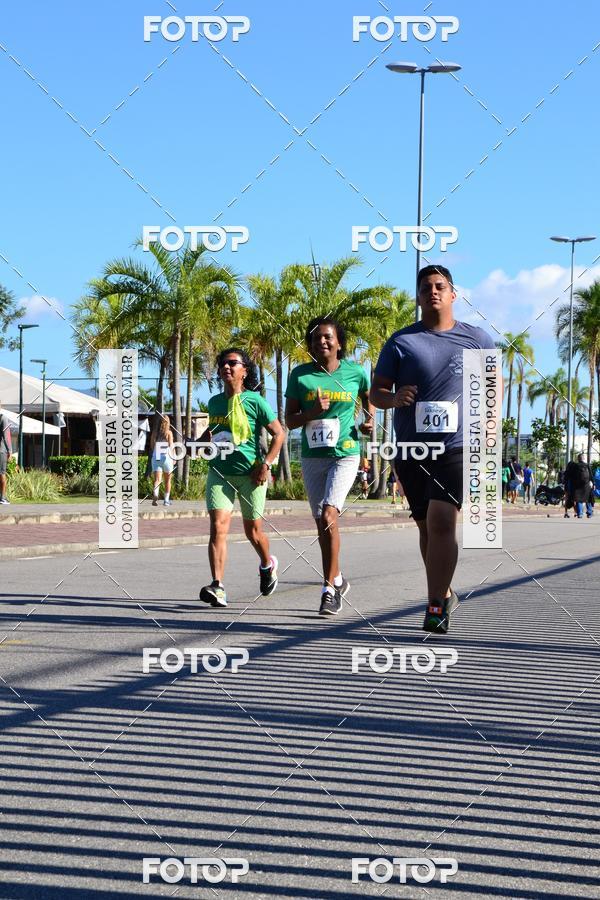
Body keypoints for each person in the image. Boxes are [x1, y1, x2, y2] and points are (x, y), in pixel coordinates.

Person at [371, 264, 497, 634]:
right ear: (418, 296)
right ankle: (444, 592)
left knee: (443, 521)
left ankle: (435, 606)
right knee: (427, 527)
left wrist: (489, 427)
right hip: (412, 449)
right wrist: (394, 399)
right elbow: (377, 393)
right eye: (425, 287)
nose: (433, 292)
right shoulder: (401, 342)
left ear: (453, 294)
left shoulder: (477, 339)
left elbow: (492, 389)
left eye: (440, 286)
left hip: (457, 446)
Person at [285, 316, 374, 616]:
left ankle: (328, 590)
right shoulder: (300, 375)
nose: (321, 341)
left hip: (345, 452)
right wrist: (311, 412)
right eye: (315, 338)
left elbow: (368, 396)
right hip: (313, 456)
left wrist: (369, 419)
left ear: (339, 342)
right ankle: (337, 578)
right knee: (321, 523)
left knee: (328, 514)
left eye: (327, 337)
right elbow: (289, 420)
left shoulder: (355, 372)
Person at [199, 348, 285, 608]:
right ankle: (218, 586)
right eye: (222, 363)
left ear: (244, 371)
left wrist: (266, 465)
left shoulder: (255, 401)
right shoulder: (215, 402)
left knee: (253, 532)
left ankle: (267, 564)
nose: (226, 366)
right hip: (219, 472)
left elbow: (279, 434)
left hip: (251, 475)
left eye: (232, 363)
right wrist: (199, 441)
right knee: (218, 526)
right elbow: (214, 431)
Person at [151, 415, 174, 506]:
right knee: (168, 480)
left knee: (157, 480)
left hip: (156, 457)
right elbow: (171, 446)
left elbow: (152, 446)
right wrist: (174, 457)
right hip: (166, 457)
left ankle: (155, 494)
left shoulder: (155, 433)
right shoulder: (169, 433)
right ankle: (166, 500)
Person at [564, 454, 594, 520]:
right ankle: (589, 513)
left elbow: (569, 475)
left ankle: (580, 514)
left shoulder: (575, 466)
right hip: (586, 485)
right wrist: (593, 484)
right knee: (588, 498)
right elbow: (591, 476)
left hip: (577, 486)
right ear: (584, 458)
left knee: (578, 499)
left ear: (578, 459)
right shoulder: (587, 465)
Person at [0, 401, 12, 504]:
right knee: (2, 473)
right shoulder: (3, 418)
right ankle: (3, 498)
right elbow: (6, 436)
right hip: (1, 451)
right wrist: (10, 451)